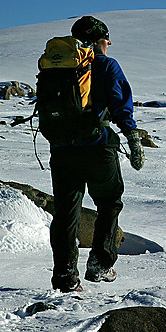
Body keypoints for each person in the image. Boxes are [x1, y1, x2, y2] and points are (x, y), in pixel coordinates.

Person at [48, 15, 144, 292]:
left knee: (66, 212)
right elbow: (121, 104)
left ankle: (66, 278)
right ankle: (101, 264)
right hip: (98, 146)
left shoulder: (58, 67)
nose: (109, 43)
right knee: (109, 202)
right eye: (106, 39)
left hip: (62, 150)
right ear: (98, 40)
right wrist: (133, 140)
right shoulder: (106, 64)